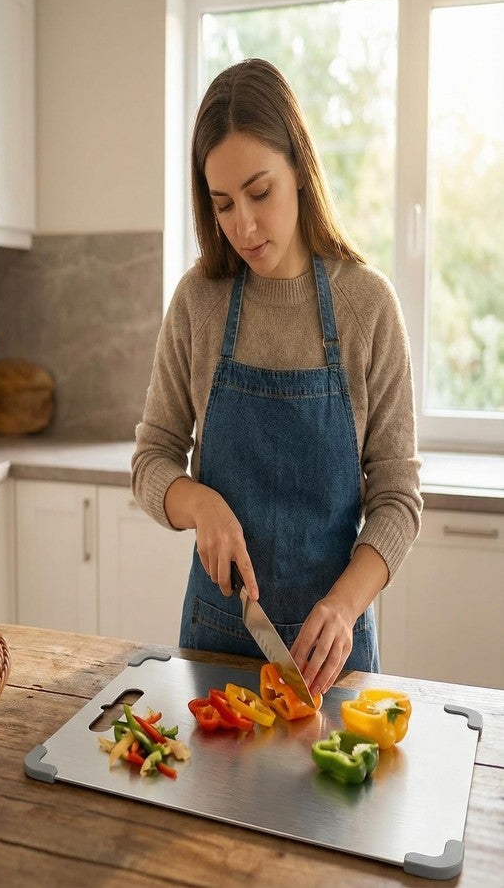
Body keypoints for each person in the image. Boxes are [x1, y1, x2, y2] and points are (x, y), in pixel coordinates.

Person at [131, 58, 422, 697]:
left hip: (334, 662)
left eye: (260, 193)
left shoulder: (368, 306)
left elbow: (398, 498)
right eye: (223, 204)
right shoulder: (198, 303)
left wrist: (345, 605)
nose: (244, 226)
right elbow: (151, 460)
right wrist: (196, 503)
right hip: (215, 650)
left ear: (300, 169)